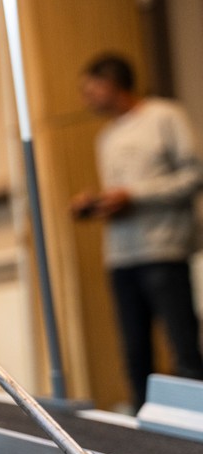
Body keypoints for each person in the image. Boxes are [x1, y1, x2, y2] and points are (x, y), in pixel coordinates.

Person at [71, 53, 203, 409]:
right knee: (134, 352)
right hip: (121, 255)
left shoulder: (165, 116)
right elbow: (119, 193)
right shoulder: (106, 136)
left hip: (164, 250)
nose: (86, 98)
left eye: (90, 89)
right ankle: (142, 420)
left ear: (112, 83)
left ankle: (195, 422)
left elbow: (194, 176)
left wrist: (134, 195)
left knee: (183, 347)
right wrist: (96, 203)